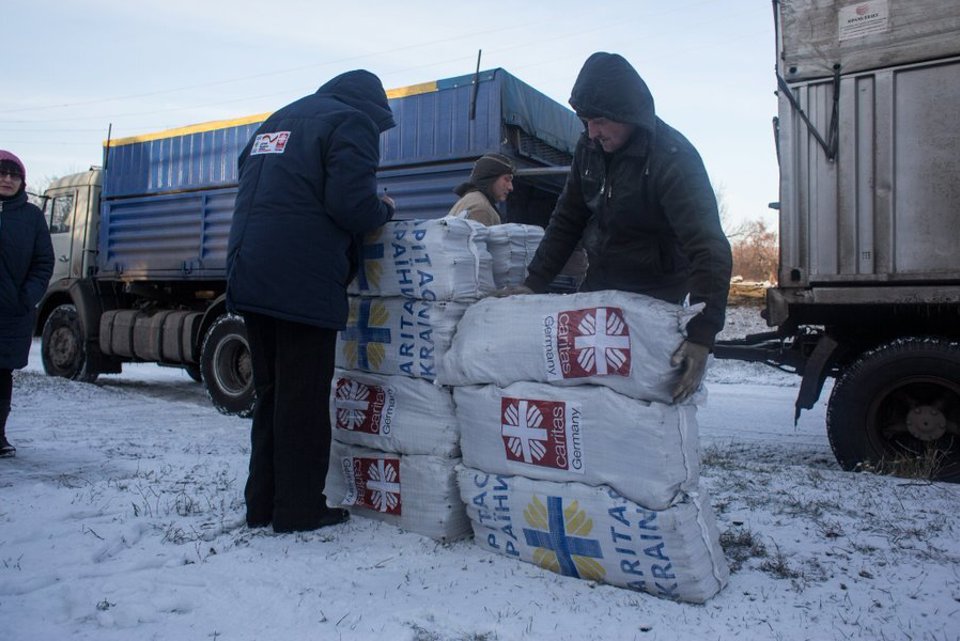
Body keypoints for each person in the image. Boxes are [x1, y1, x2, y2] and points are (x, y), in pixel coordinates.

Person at [226, 70, 396, 533]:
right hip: (300, 277)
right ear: (373, 110)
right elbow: (351, 205)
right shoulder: (351, 122)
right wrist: (385, 207)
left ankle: (262, 504)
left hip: (251, 269)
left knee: (272, 393)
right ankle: (300, 510)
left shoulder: (276, 122)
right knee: (301, 400)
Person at [515, 52, 732, 403]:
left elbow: (708, 247)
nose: (591, 131)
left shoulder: (672, 159)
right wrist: (533, 282)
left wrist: (701, 336)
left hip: (655, 293)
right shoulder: (589, 150)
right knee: (587, 389)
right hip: (601, 284)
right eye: (585, 120)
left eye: (599, 120)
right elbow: (567, 219)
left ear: (628, 114)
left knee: (643, 396)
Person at [0, 151, 54, 457]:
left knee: (1, 374)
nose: (7, 179)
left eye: (14, 175)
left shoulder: (31, 217)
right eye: (2, 173)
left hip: (10, 311)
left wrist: (27, 296)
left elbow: (43, 263)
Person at [447, 152, 514, 226]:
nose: (510, 187)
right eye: (507, 179)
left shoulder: (471, 199)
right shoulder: (481, 209)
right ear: (490, 177)